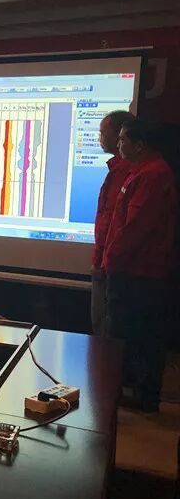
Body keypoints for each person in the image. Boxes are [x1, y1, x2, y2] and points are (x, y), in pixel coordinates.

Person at [104, 117, 177, 412]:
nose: (118, 144)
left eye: (123, 139)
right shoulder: (141, 171)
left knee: (142, 336)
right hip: (134, 270)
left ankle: (144, 396)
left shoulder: (152, 175)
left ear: (139, 144)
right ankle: (132, 390)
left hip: (141, 273)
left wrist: (111, 258)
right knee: (131, 334)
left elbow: (135, 227)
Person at [91, 111, 133, 337]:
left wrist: (100, 260)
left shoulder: (125, 171)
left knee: (105, 331)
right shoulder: (118, 169)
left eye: (103, 133)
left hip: (112, 267)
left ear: (119, 136)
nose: (100, 138)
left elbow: (113, 223)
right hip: (109, 263)